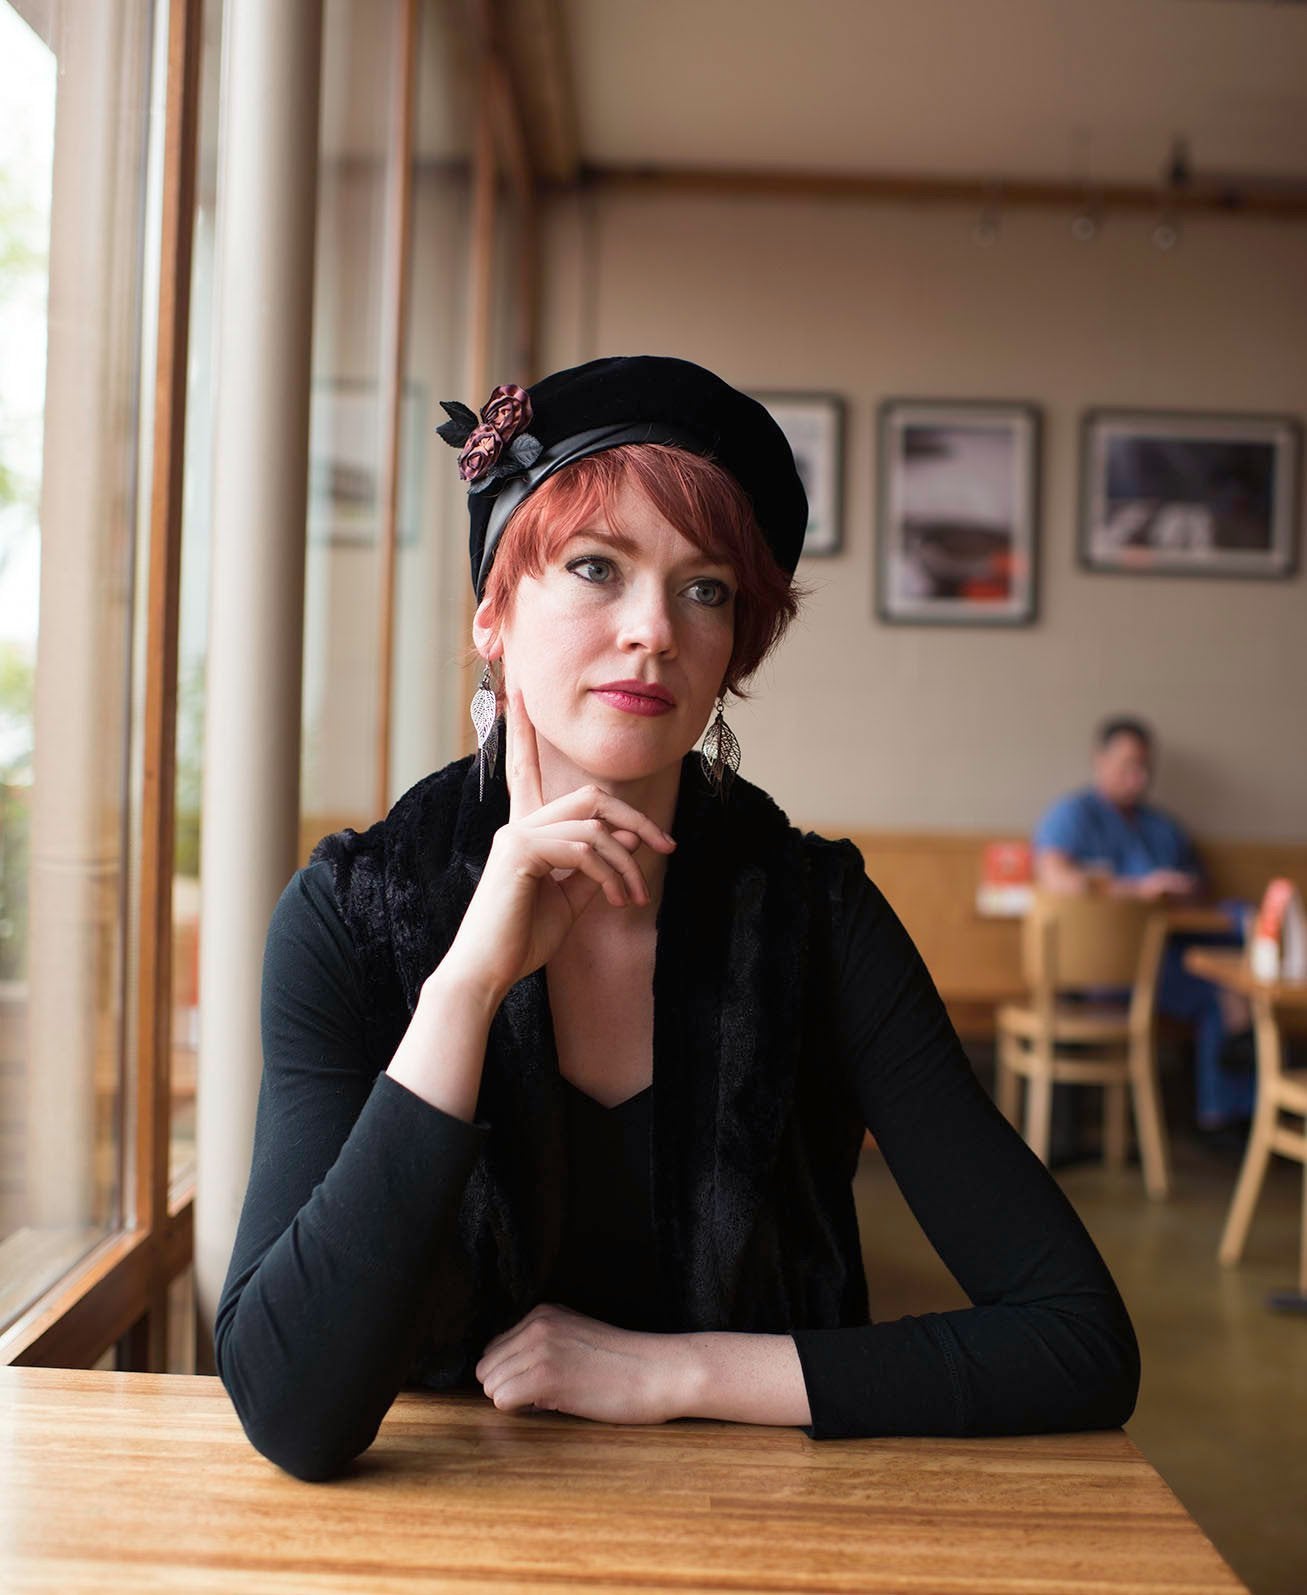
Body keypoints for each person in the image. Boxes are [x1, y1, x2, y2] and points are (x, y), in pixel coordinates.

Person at [215, 356, 1138, 1482]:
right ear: (494, 615)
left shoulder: (814, 914)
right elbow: (290, 1408)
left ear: (730, 650)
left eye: (704, 588)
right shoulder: (353, 912)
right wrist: (461, 987)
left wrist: (675, 1372)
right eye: (596, 568)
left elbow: (1077, 1337)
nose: (652, 627)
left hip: (764, 1530)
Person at [1033, 716, 1252, 1134]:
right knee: (1222, 992)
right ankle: (1225, 1114)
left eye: (1145, 767)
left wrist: (1177, 892)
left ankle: (1231, 1115)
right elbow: (1056, 878)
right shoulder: (1074, 815)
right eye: (1127, 764)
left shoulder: (1161, 827)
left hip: (1163, 956)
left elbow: (1199, 894)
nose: (1138, 777)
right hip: (1100, 967)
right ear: (1100, 761)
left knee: (1235, 950)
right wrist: (1137, 890)